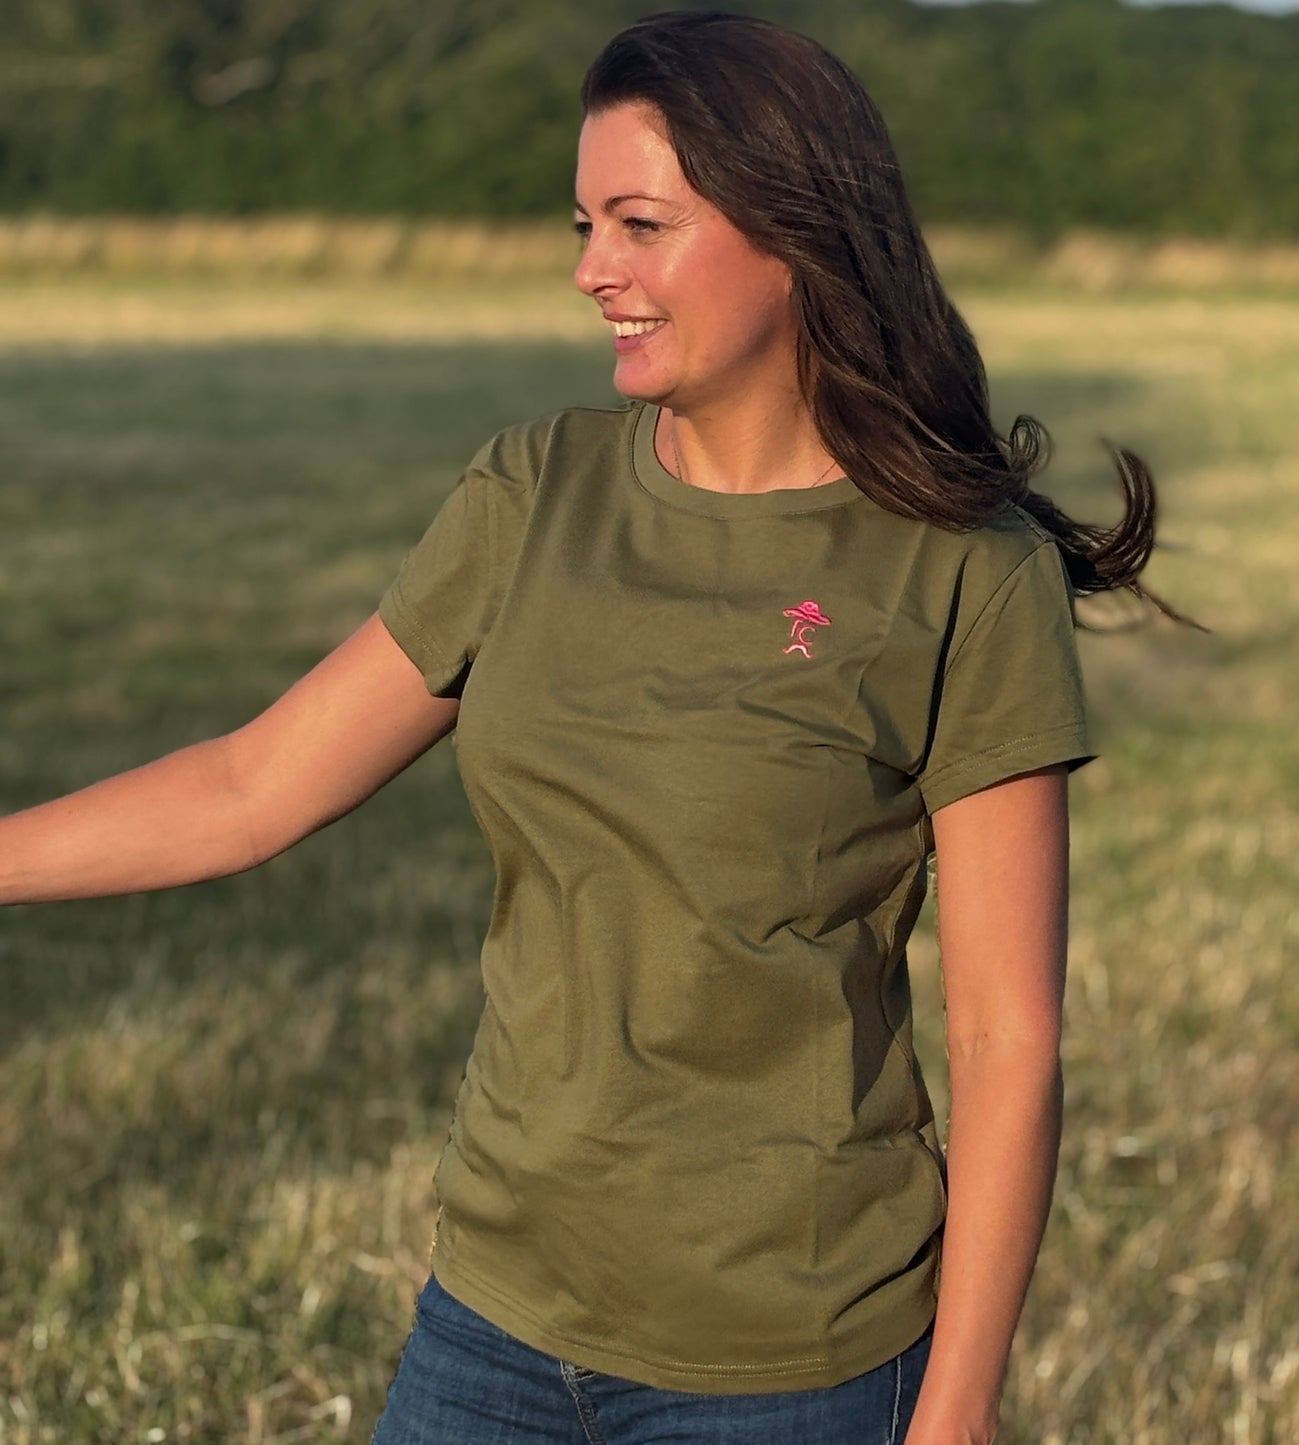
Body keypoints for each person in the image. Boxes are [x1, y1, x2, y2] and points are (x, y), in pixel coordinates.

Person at [0, 12, 1182, 1445]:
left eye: (639, 224)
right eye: (583, 223)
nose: (589, 271)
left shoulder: (956, 566)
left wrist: (956, 1406)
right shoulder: (531, 492)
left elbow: (1008, 1037)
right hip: (493, 1315)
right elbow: (254, 785)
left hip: (790, 1356)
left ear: (794, 229)